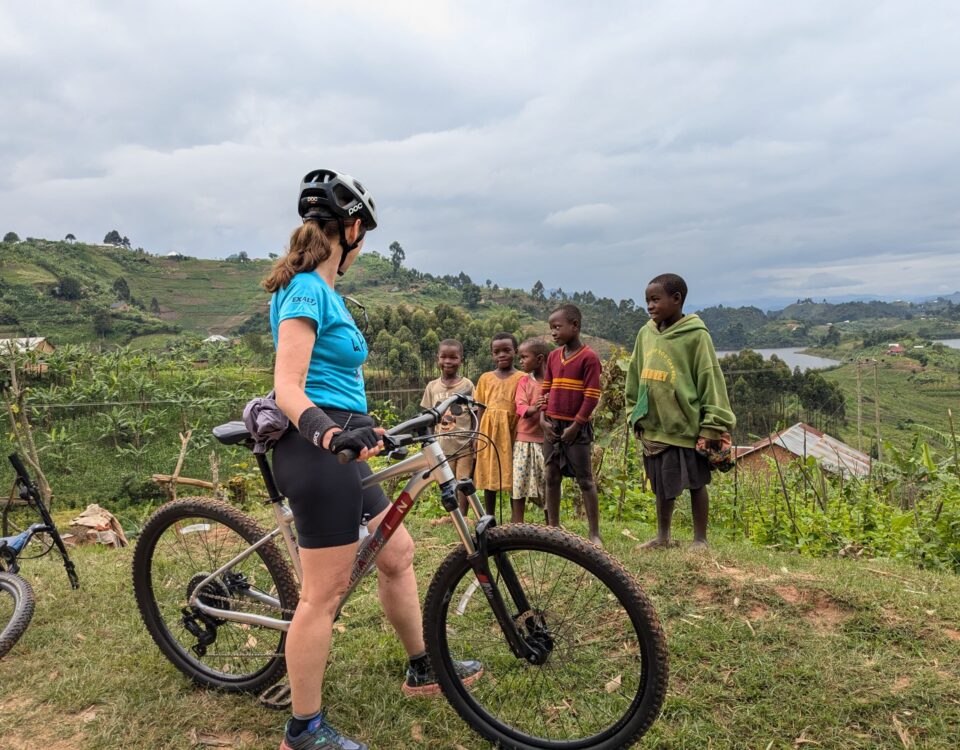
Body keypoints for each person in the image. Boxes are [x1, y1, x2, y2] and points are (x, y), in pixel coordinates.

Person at [266, 169, 480, 750]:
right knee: (322, 595)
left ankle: (421, 665)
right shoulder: (309, 287)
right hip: (314, 448)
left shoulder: (324, 290)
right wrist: (329, 434)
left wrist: (360, 426)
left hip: (341, 440)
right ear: (353, 228)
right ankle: (303, 730)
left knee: (397, 550)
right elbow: (288, 385)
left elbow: (330, 378)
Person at [624, 273, 735, 550]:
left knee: (697, 483)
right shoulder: (645, 333)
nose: (650, 306)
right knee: (661, 485)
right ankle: (663, 537)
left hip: (686, 425)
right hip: (655, 426)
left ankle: (700, 539)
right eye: (647, 300)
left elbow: (709, 378)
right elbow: (635, 375)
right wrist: (634, 414)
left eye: (655, 299)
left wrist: (712, 425)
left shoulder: (696, 336)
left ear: (677, 299)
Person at [540, 304, 604, 546]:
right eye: (551, 328)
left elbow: (591, 396)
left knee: (585, 479)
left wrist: (576, 426)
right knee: (551, 475)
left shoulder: (589, 358)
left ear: (575, 326)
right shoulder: (554, 357)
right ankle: (553, 527)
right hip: (552, 425)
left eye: (558, 327)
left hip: (576, 428)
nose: (553, 333)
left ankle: (594, 533)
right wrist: (542, 420)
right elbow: (545, 391)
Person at [420, 339, 475, 515]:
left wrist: (474, 436)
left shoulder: (467, 385)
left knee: (463, 481)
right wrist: (427, 442)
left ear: (461, 360)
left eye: (453, 357)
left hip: (464, 444)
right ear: (438, 358)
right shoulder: (432, 386)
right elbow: (427, 416)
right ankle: (452, 516)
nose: (448, 361)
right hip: (442, 446)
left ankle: (464, 516)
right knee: (446, 483)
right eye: (443, 357)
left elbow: (475, 413)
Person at [473, 333, 524, 516]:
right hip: (489, 431)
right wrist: (477, 434)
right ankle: (489, 515)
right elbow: (479, 408)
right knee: (490, 472)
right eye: (497, 352)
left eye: (506, 350)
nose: (501, 355)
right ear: (492, 355)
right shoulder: (485, 378)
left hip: (513, 431)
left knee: (513, 474)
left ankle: (516, 520)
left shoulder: (522, 378)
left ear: (515, 352)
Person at [512, 338, 550, 522]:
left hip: (546, 441)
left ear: (540, 359)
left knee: (548, 483)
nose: (520, 361)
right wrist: (535, 407)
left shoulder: (553, 383)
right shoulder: (524, 382)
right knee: (519, 483)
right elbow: (520, 406)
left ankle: (552, 523)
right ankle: (517, 523)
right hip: (524, 441)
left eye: (524, 357)